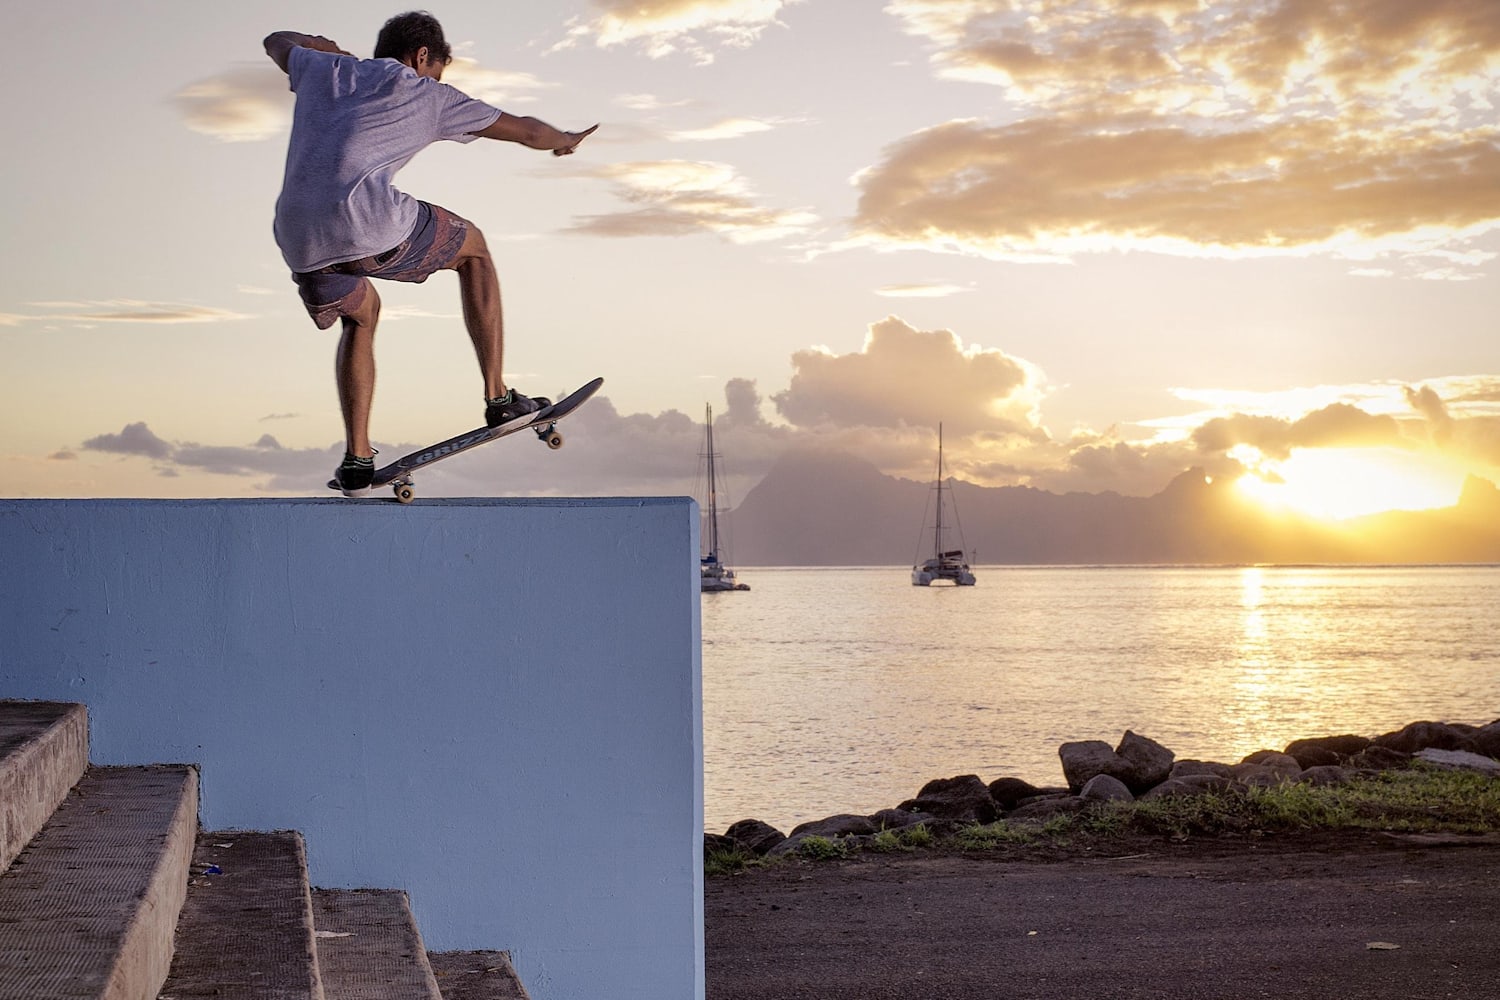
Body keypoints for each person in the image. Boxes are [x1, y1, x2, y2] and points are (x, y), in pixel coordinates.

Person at [264, 12, 597, 496]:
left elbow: (276, 40)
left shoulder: (324, 69)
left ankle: (358, 459)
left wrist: (323, 48)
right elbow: (526, 131)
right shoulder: (427, 94)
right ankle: (498, 396)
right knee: (475, 251)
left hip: (299, 239)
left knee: (363, 314)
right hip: (365, 225)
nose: (439, 80)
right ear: (423, 57)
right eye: (439, 70)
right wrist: (564, 141)